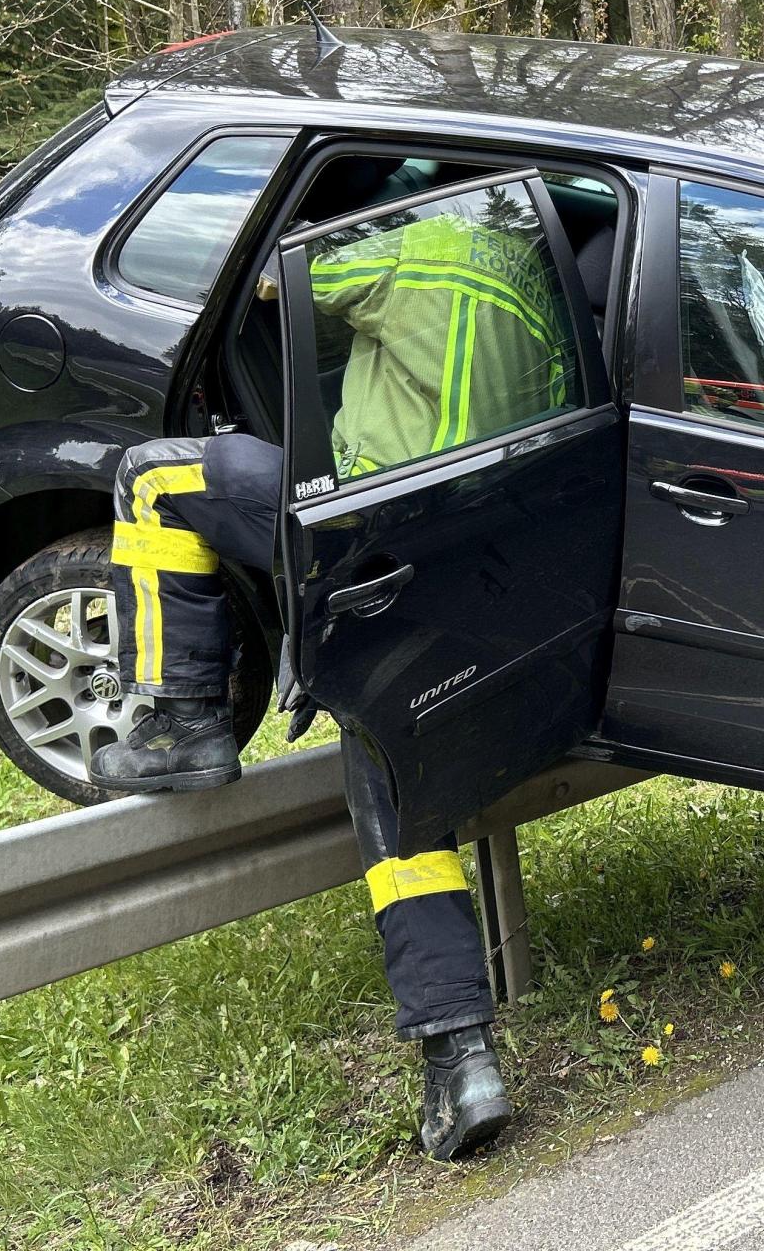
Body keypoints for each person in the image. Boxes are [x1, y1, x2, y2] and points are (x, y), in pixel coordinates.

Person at [87, 171, 570, 1159]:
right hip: (478, 577)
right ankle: (458, 1058)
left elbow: (270, 284)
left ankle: (182, 722)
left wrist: (303, 224)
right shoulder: (541, 283)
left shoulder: (416, 249)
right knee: (401, 812)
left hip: (364, 537)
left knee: (156, 477)